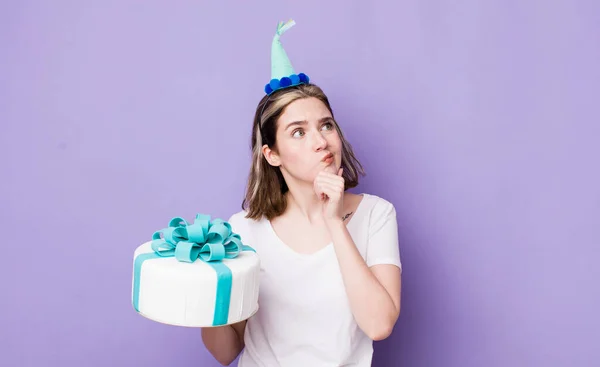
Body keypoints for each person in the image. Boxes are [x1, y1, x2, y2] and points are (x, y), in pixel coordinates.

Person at [201, 20, 402, 366]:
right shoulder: (244, 231)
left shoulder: (376, 215)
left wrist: (335, 222)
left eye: (326, 125)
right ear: (272, 154)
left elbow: (379, 324)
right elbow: (226, 351)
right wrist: (207, 286)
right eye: (298, 132)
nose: (321, 141)